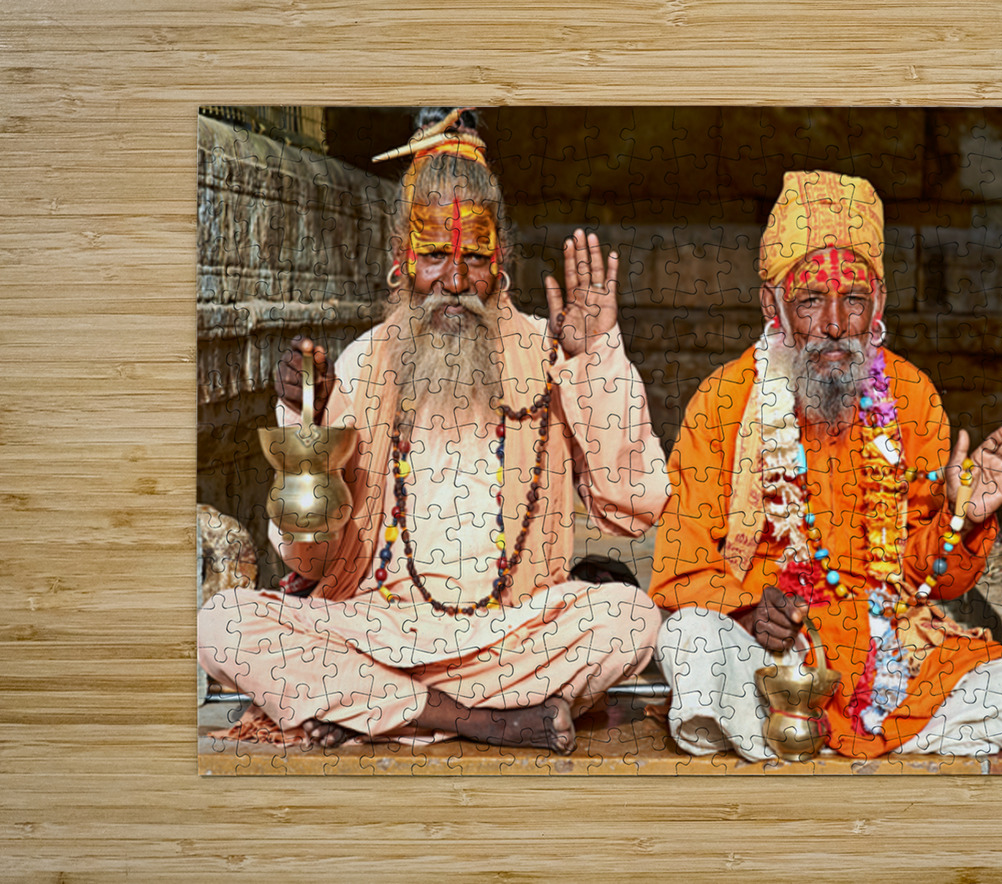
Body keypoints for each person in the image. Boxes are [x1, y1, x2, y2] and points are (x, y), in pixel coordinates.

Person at [198, 109, 669, 754]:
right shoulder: (362, 364)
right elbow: (307, 561)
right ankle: (480, 722)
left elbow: (633, 507)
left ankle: (381, 710)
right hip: (377, 629)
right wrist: (306, 425)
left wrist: (598, 359)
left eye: (474, 258)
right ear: (400, 260)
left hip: (513, 633)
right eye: (433, 258)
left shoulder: (548, 353)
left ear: (499, 258)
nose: (454, 282)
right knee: (224, 622)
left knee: (630, 620)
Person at [649, 170, 1002, 761]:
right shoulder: (725, 400)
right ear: (774, 305)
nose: (836, 325)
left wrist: (962, 523)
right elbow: (677, 572)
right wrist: (749, 604)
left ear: (880, 305)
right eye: (812, 300)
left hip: (886, 650)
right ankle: (813, 741)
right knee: (689, 639)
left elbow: (929, 581)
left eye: (854, 300)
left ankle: (795, 748)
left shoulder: (910, 396)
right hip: (769, 655)